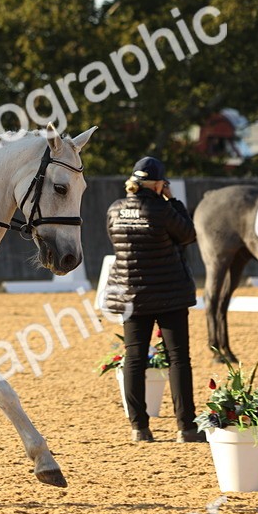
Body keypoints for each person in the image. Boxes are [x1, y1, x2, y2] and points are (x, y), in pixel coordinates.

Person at [104, 157, 201, 442]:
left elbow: (116, 242)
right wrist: (175, 202)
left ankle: (139, 428)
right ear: (159, 184)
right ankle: (186, 427)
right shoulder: (162, 208)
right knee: (178, 359)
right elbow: (188, 235)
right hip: (169, 294)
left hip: (130, 294)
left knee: (134, 358)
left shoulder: (114, 210)